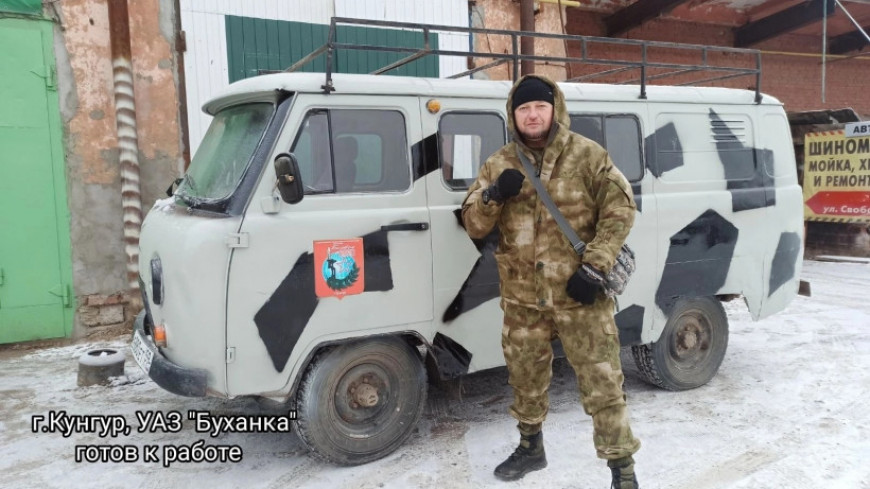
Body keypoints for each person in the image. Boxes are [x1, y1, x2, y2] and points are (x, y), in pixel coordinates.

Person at [461, 74, 641, 488]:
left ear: (554, 108)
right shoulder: (498, 163)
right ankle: (531, 448)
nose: (532, 115)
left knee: (603, 381)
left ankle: (623, 471)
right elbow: (472, 223)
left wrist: (595, 266)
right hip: (523, 298)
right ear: (513, 115)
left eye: (539, 106)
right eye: (524, 108)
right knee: (525, 377)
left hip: (581, 294)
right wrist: (493, 196)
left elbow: (620, 210)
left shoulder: (587, 155)